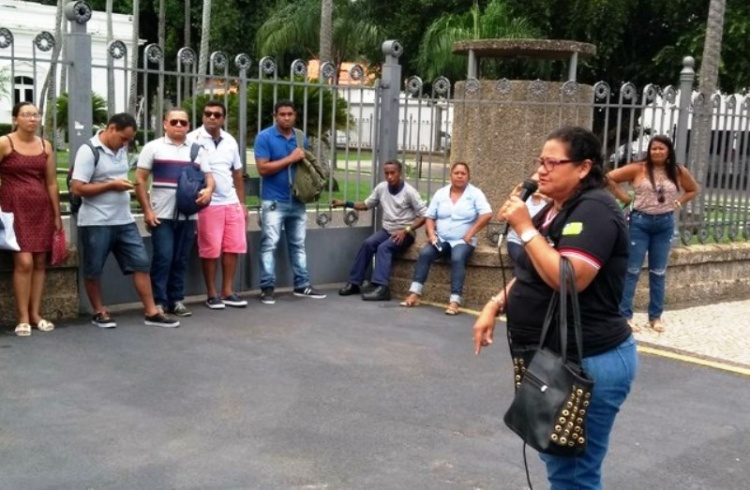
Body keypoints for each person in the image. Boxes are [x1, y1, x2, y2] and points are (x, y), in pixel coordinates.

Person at [473, 126, 636, 489]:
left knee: (574, 472)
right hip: (555, 356)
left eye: (552, 162)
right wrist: (495, 304)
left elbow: (569, 278)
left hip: (589, 359)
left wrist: (525, 228)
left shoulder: (595, 210)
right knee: (557, 458)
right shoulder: (555, 208)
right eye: (539, 161)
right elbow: (535, 266)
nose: (540, 171)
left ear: (582, 168)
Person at [71, 112, 179, 328]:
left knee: (140, 263)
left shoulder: (120, 149)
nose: (126, 144)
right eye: (123, 138)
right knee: (94, 268)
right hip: (96, 221)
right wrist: (112, 185)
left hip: (124, 220)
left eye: (129, 140)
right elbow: (77, 188)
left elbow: (119, 176)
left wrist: (127, 185)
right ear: (111, 129)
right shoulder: (89, 151)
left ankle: (151, 311)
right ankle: (99, 311)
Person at [607, 135, 699, 333]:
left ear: (668, 151)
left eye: (661, 148)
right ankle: (624, 316)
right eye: (654, 148)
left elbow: (692, 189)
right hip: (640, 222)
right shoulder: (638, 168)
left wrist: (679, 202)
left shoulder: (677, 171)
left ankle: (655, 317)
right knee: (632, 270)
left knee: (658, 272)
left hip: (664, 223)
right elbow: (609, 177)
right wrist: (624, 197)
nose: (657, 152)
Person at [135, 108, 215, 317]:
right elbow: (140, 179)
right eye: (174, 122)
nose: (178, 126)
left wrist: (209, 190)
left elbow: (209, 177)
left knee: (180, 259)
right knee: (163, 257)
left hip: (188, 215)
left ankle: (176, 300)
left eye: (183, 122)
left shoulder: (198, 150)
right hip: (161, 215)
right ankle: (158, 302)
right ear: (165, 124)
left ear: (188, 126)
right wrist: (147, 211)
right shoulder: (153, 148)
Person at [254, 100, 327, 305]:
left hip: (298, 200)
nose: (286, 118)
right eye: (282, 114)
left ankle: (302, 285)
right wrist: (290, 158)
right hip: (274, 201)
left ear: (295, 115)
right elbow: (262, 169)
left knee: (298, 244)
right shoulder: (265, 137)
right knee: (269, 244)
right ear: (275, 116)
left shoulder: (300, 137)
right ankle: (267, 288)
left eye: (290, 114)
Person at [0, 102, 62, 336]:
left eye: (35, 115)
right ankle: (22, 316)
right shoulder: (5, 142)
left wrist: (56, 214)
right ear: (16, 118)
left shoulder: (45, 145)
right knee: (23, 262)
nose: (32, 119)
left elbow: (51, 182)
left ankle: (35, 314)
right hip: (13, 210)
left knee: (39, 262)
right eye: (26, 115)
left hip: (41, 209)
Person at [400, 162, 492, 315]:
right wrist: (431, 234)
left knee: (457, 258)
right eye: (456, 173)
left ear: (468, 176)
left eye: (463, 173)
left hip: (462, 241)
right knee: (425, 253)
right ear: (451, 176)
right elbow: (430, 216)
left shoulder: (475, 193)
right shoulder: (441, 193)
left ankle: (455, 301)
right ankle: (414, 294)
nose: (460, 176)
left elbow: (487, 214)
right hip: (441, 239)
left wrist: (470, 234)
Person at [332, 159, 427, 301]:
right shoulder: (382, 188)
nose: (389, 176)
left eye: (393, 173)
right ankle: (354, 283)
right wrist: (345, 203)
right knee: (368, 244)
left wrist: (406, 230)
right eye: (387, 173)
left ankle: (382, 288)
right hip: (387, 230)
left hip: (405, 232)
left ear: (399, 173)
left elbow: (424, 215)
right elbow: (365, 204)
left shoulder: (409, 192)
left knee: (384, 248)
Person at [188, 101, 248, 310]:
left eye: (216, 114)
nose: (212, 117)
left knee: (232, 247)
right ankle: (211, 293)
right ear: (202, 116)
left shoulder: (230, 140)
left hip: (231, 202)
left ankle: (227, 291)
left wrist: (242, 203)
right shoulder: (192, 139)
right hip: (207, 204)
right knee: (210, 249)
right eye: (208, 114)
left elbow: (238, 173)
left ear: (223, 118)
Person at [505, 170, 549, 267]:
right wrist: (514, 194)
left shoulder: (548, 203)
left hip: (536, 243)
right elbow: (501, 217)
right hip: (516, 241)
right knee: (523, 263)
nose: (536, 186)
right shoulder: (522, 199)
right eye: (534, 183)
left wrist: (547, 199)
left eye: (539, 183)